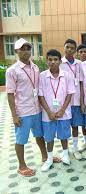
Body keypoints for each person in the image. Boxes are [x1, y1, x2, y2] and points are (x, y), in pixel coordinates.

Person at [6, 38, 50, 177]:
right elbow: (10, 94)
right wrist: (14, 115)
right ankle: (22, 165)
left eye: (28, 48)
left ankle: (45, 157)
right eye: (22, 49)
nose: (26, 51)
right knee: (21, 139)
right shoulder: (12, 71)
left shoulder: (35, 67)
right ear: (16, 51)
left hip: (37, 109)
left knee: (39, 135)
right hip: (23, 111)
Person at [39, 49, 75, 171]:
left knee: (64, 135)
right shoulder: (42, 76)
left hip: (63, 113)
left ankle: (65, 154)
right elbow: (41, 95)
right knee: (49, 137)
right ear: (47, 61)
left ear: (60, 61)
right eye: (50, 60)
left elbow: (70, 94)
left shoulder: (67, 75)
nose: (53, 62)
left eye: (55, 59)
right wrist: (49, 112)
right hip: (47, 114)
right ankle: (49, 159)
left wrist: (62, 110)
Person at [60, 39, 86, 160]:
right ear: (64, 48)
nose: (69, 49)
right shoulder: (59, 63)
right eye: (67, 47)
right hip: (64, 102)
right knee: (64, 127)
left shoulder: (79, 64)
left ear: (75, 50)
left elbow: (81, 83)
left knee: (75, 126)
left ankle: (75, 149)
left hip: (76, 101)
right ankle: (65, 151)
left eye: (72, 48)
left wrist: (82, 102)